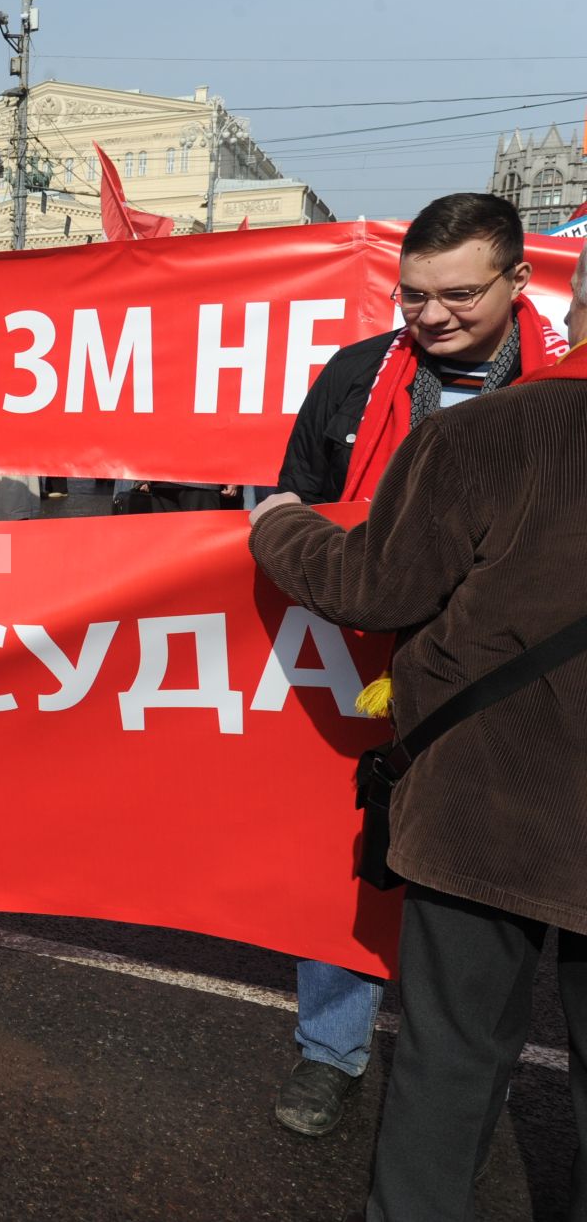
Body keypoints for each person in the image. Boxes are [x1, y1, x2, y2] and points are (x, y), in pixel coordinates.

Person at [247, 251, 587, 1220]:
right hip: (483, 780)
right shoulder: (358, 372)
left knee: (450, 1059)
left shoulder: (491, 430)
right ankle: (330, 1048)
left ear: (540, 289)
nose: (432, 313)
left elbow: (370, 582)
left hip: (488, 795)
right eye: (415, 294)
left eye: (459, 293)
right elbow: (313, 469)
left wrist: (275, 528)